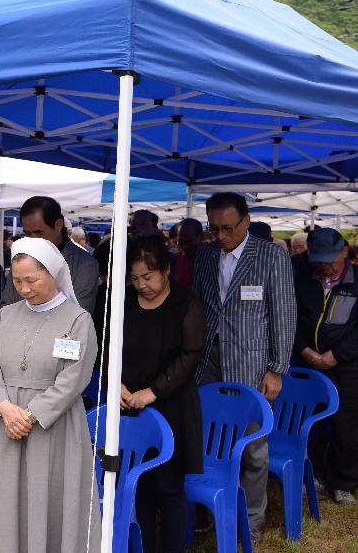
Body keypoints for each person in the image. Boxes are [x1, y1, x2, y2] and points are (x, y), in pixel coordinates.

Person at [0, 237, 101, 553]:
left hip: (53, 426)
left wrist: (29, 415)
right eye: (17, 280)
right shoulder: (6, 316)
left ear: (53, 273)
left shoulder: (77, 319)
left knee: (50, 497)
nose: (24, 288)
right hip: (9, 423)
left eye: (31, 280)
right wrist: (6, 408)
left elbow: (73, 379)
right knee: (10, 499)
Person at [193, 192, 296, 543]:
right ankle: (213, 510)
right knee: (211, 441)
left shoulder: (270, 257)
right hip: (208, 360)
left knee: (252, 445)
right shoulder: (205, 255)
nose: (220, 236)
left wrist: (277, 367)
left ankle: (252, 517)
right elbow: (200, 305)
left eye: (227, 228)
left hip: (252, 363)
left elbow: (284, 314)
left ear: (246, 221)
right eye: (214, 229)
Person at [122, 236, 204, 553]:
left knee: (169, 486)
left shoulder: (186, 302)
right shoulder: (123, 301)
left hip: (172, 405)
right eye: (135, 278)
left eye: (148, 276)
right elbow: (106, 347)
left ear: (166, 270)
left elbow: (190, 354)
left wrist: (153, 391)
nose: (142, 285)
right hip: (129, 404)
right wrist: (116, 384)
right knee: (137, 484)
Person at [293, 228, 358, 506]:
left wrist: (337, 355)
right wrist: (304, 350)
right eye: (318, 260)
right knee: (312, 423)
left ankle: (344, 481)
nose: (324, 266)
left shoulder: (356, 282)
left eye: (330, 260)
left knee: (346, 425)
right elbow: (291, 318)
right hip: (309, 363)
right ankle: (315, 474)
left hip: (347, 366)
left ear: (345, 251)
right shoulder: (303, 281)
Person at [1, 196, 99, 314]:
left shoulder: (85, 265)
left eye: (38, 232)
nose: (32, 239)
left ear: (58, 225)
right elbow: (6, 306)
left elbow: (77, 317)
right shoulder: (21, 258)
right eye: (27, 233)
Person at [172, 218, 203, 289]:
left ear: (200, 237)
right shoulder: (174, 259)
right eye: (181, 240)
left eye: (189, 241)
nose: (185, 245)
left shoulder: (212, 259)